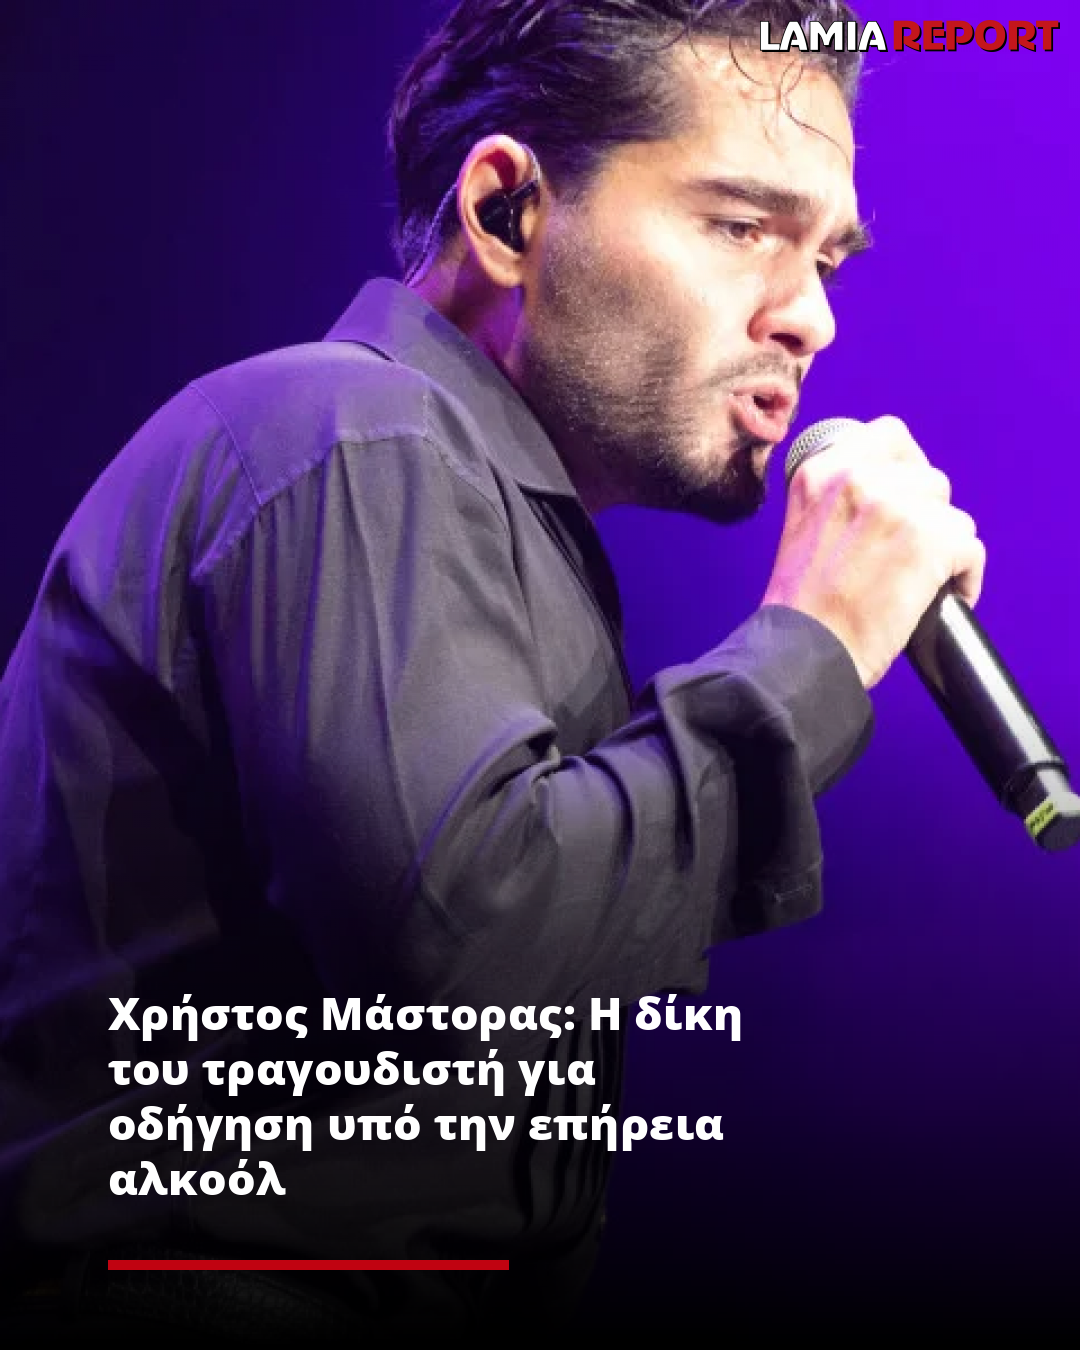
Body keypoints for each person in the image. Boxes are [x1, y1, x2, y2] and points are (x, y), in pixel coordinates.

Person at [0, 0, 985, 1342]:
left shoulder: (473, 509)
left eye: (827, 258)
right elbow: (472, 945)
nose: (808, 316)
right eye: (742, 226)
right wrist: (813, 645)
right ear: (508, 211)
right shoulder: (351, 431)